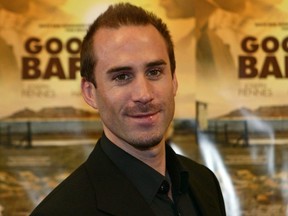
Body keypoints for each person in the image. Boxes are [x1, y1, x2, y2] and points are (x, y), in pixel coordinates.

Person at [30, 3, 226, 216]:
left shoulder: (205, 183)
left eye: (154, 72)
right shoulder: (60, 212)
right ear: (89, 92)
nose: (143, 94)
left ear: (174, 80)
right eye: (122, 76)